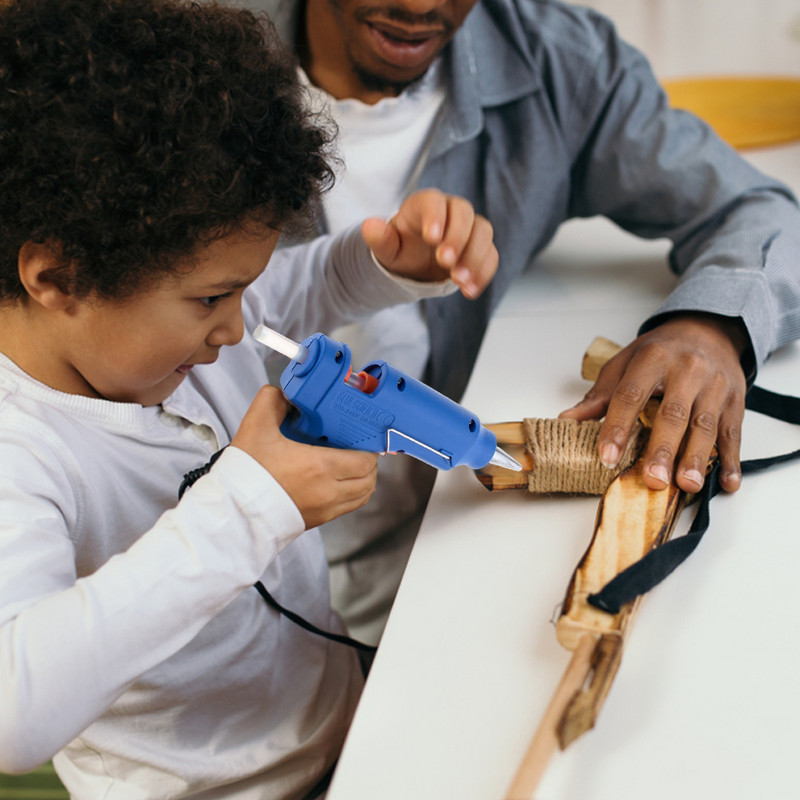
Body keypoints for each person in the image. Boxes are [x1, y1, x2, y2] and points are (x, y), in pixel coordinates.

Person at [0, 1, 499, 798]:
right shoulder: (21, 454)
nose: (237, 328)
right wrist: (249, 506)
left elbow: (292, 292)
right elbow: (15, 714)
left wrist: (381, 262)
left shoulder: (175, 324)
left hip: (346, 735)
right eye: (211, 299)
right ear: (56, 279)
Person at [249, 0, 800, 642]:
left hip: (422, 571)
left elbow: (762, 211)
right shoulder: (177, 68)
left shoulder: (560, 62)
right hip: (231, 596)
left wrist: (709, 325)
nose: (423, 5)